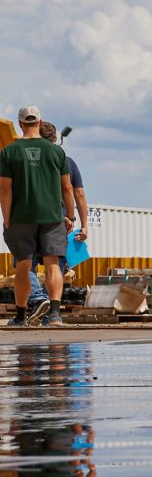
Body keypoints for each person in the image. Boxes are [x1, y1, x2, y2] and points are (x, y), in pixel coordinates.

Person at [1, 104, 74, 327]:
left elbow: (5, 190)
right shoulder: (56, 152)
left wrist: (7, 219)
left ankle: (21, 317)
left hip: (20, 218)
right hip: (52, 217)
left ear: (21, 124)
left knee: (23, 266)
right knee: (53, 263)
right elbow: (68, 188)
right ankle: (54, 316)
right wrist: (70, 215)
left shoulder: (8, 152)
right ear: (39, 123)